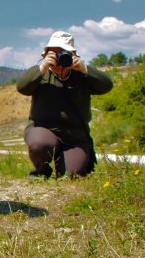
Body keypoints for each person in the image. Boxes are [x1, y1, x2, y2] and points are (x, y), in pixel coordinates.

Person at [16, 31, 113, 178]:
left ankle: (65, 165)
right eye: (54, 53)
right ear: (47, 53)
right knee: (39, 144)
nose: (60, 57)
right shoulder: (41, 75)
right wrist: (43, 67)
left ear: (73, 55)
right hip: (44, 129)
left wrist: (84, 69)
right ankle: (41, 171)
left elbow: (106, 86)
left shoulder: (82, 76)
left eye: (64, 53)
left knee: (72, 174)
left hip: (75, 136)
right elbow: (22, 87)